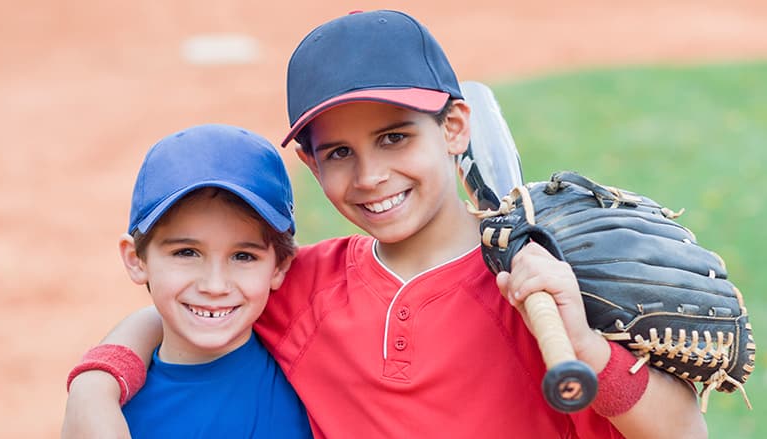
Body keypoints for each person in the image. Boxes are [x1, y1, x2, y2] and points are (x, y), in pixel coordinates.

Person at [63, 10, 707, 438]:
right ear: (312, 166)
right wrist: (98, 379)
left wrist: (589, 347)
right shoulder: (303, 285)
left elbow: (685, 431)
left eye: (395, 137)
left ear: (455, 128)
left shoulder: (545, 288)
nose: (370, 175)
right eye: (338, 152)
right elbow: (192, 294)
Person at [63, 123, 313, 438]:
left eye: (243, 256)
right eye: (186, 253)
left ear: (280, 266)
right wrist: (93, 387)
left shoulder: (310, 374)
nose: (215, 284)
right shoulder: (107, 415)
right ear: (135, 259)